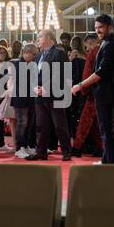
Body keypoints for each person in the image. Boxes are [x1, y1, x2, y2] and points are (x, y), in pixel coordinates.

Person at [72, 15, 114, 164]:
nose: (98, 31)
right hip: (106, 93)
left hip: (107, 93)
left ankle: (110, 162)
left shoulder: (110, 45)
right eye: (96, 28)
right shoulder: (108, 43)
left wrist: (81, 85)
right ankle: (106, 160)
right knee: (105, 130)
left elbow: (101, 72)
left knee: (106, 130)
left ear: (110, 27)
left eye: (100, 27)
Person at [26, 29, 72, 161]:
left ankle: (66, 151)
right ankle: (41, 152)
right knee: (41, 125)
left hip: (54, 94)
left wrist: (46, 88)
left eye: (40, 36)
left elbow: (60, 74)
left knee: (60, 125)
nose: (38, 39)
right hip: (40, 96)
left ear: (49, 38)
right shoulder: (39, 56)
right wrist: (35, 87)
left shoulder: (59, 53)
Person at [71, 34, 104, 158]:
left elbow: (87, 73)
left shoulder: (93, 53)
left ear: (90, 43)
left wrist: (83, 89)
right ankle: (100, 148)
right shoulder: (103, 51)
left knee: (85, 122)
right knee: (95, 124)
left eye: (87, 46)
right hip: (101, 93)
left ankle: (77, 148)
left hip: (92, 94)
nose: (86, 49)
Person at [11, 43, 38, 158]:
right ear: (27, 53)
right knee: (22, 123)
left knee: (29, 124)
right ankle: (19, 148)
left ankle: (26, 146)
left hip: (31, 98)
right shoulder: (16, 64)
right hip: (20, 99)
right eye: (34, 54)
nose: (36, 56)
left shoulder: (32, 64)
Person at [69, 36, 86, 137]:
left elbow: (72, 76)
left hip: (75, 88)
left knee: (74, 114)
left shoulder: (74, 57)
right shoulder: (85, 56)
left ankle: (76, 137)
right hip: (84, 87)